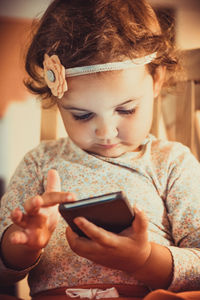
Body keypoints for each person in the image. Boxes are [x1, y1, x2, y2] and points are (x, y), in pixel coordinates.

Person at [0, 0, 200, 299]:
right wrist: (21, 247)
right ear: (58, 102)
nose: (106, 132)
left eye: (127, 109)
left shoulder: (172, 163)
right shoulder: (39, 163)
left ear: (156, 81)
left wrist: (144, 260)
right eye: (82, 115)